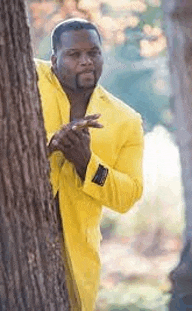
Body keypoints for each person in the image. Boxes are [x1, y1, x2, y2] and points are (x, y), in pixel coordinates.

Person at [35, 18, 144, 311]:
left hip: (74, 255)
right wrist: (47, 148)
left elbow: (129, 194)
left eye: (93, 53)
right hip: (8, 234)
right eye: (74, 54)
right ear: (54, 59)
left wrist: (88, 165)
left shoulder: (125, 120)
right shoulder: (28, 76)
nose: (86, 62)